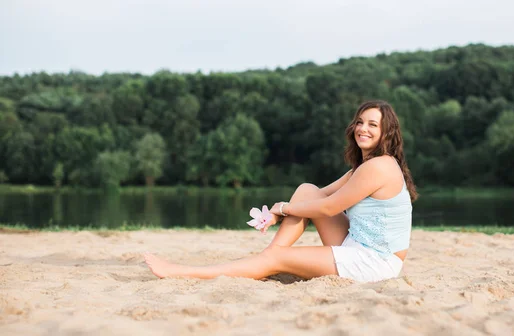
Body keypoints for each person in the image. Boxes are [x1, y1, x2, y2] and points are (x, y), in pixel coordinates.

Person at [144, 100, 418, 283]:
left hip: (375, 263)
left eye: (373, 125)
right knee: (307, 189)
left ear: (386, 133)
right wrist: (279, 211)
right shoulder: (365, 166)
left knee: (282, 245)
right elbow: (316, 196)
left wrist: (283, 209)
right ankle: (269, 258)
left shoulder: (378, 167)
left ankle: (184, 272)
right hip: (357, 246)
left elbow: (328, 208)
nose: (363, 129)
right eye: (360, 122)